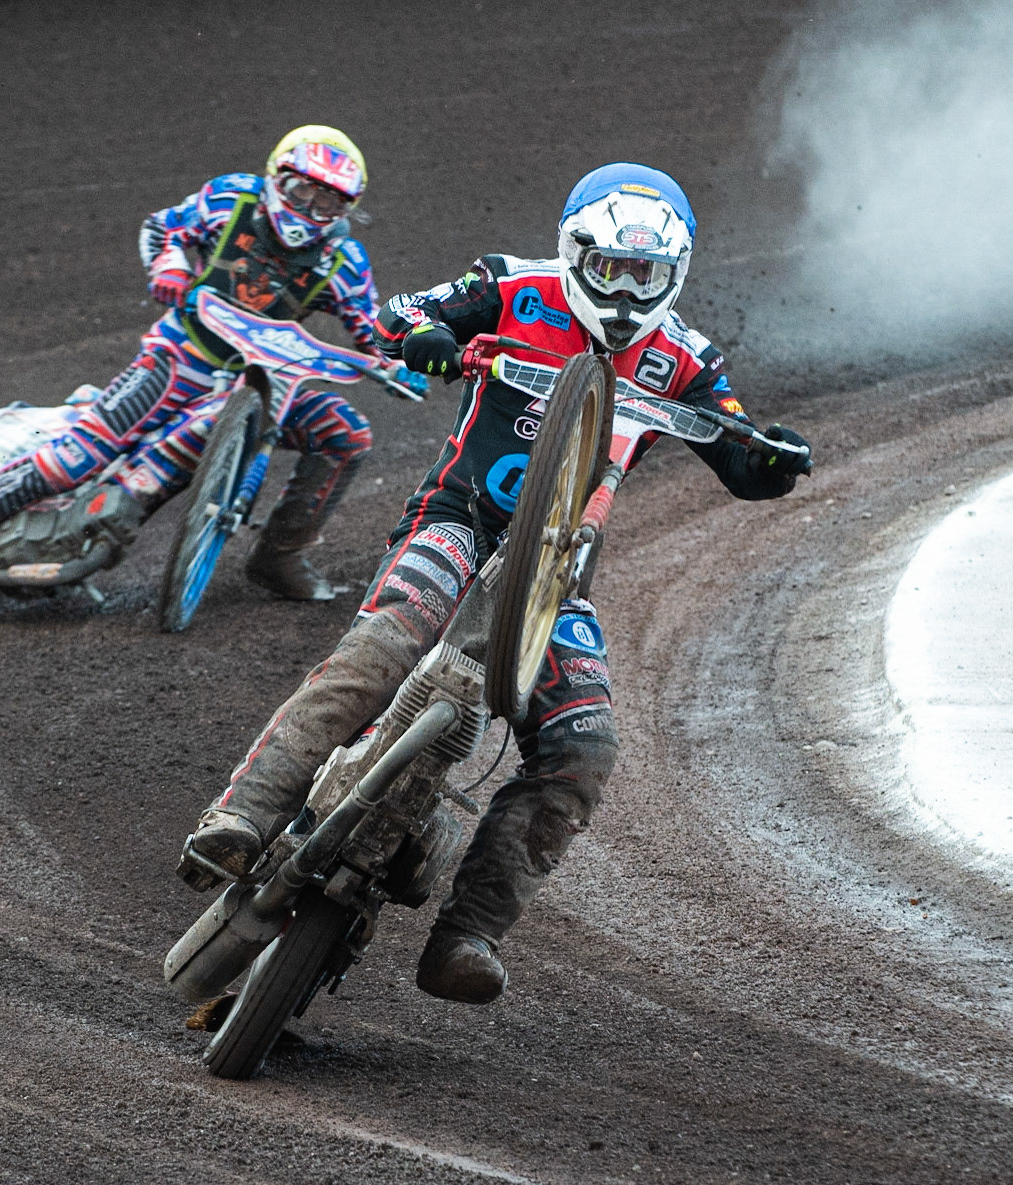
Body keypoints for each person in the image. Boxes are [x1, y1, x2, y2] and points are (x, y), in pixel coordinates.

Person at [177, 163, 813, 1003]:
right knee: (385, 643)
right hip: (456, 519)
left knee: (586, 747)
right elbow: (402, 315)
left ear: (675, 276)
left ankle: (468, 931)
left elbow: (739, 452)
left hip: (555, 574)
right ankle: (242, 815)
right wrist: (428, 337)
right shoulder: (512, 285)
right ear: (574, 253)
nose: (625, 291)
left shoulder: (687, 360)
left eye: (646, 276)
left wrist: (774, 458)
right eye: (610, 269)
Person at [0, 126, 387, 601]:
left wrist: (400, 357)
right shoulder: (231, 199)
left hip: (270, 385)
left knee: (348, 435)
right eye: (301, 192)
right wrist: (170, 267)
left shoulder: (343, 263)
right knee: (83, 452)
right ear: (277, 179)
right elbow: (165, 229)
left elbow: (372, 326)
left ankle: (280, 555)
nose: (309, 209)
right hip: (181, 355)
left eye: (326, 202)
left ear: (344, 211)